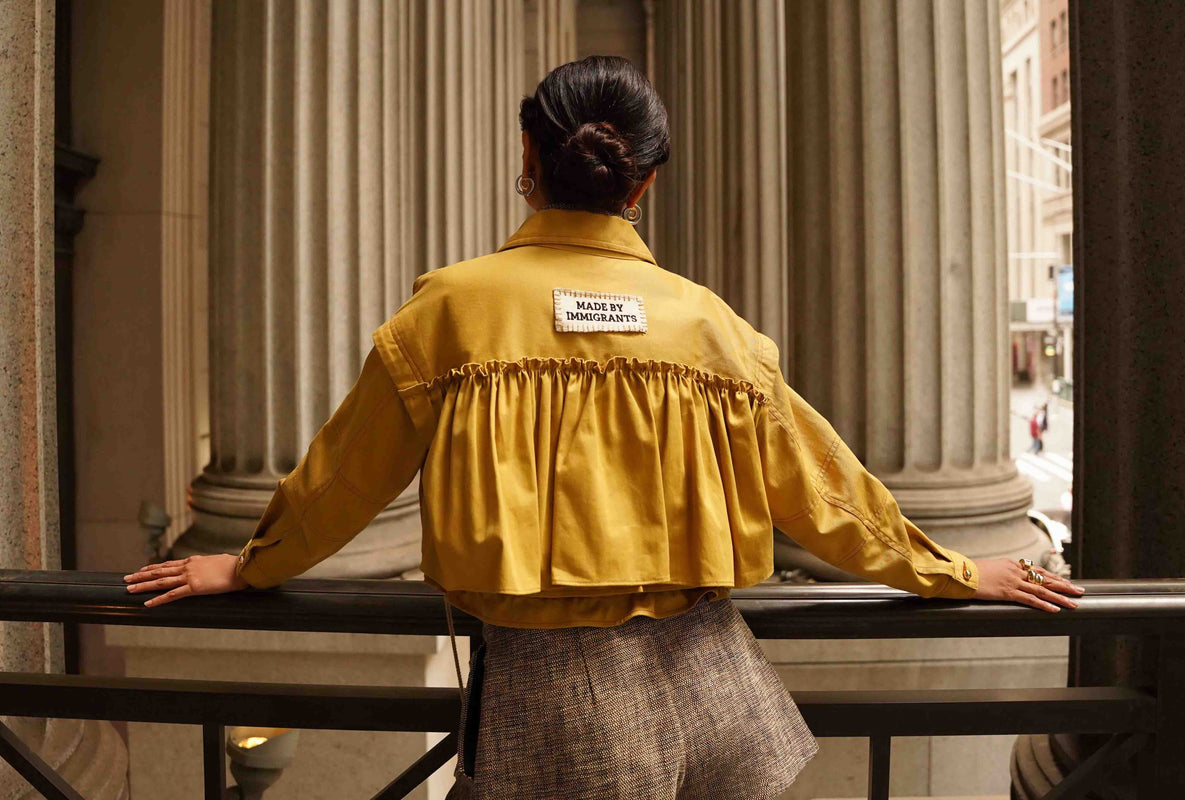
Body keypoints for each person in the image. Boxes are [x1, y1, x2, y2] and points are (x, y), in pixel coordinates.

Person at [122, 56, 1085, 800]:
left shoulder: (453, 313)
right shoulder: (709, 326)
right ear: (645, 184)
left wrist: (247, 566)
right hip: (714, 693)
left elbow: (344, 479)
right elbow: (824, 490)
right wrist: (956, 571)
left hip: (550, 704)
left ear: (530, 161)